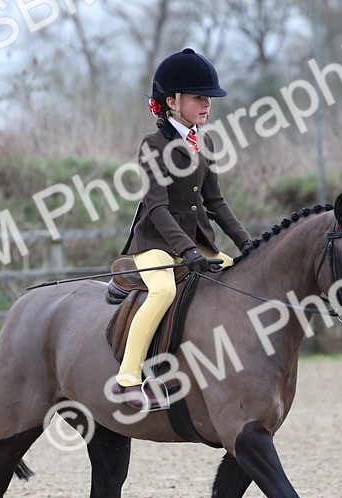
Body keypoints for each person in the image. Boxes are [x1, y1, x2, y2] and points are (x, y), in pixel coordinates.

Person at [113, 48, 253, 411]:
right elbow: (157, 207)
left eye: (208, 98)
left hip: (197, 244)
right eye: (198, 97)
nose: (207, 104)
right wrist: (186, 251)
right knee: (161, 292)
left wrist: (249, 243)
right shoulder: (152, 146)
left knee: (240, 279)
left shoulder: (204, 143)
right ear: (172, 102)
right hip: (156, 244)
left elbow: (216, 203)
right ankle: (128, 378)